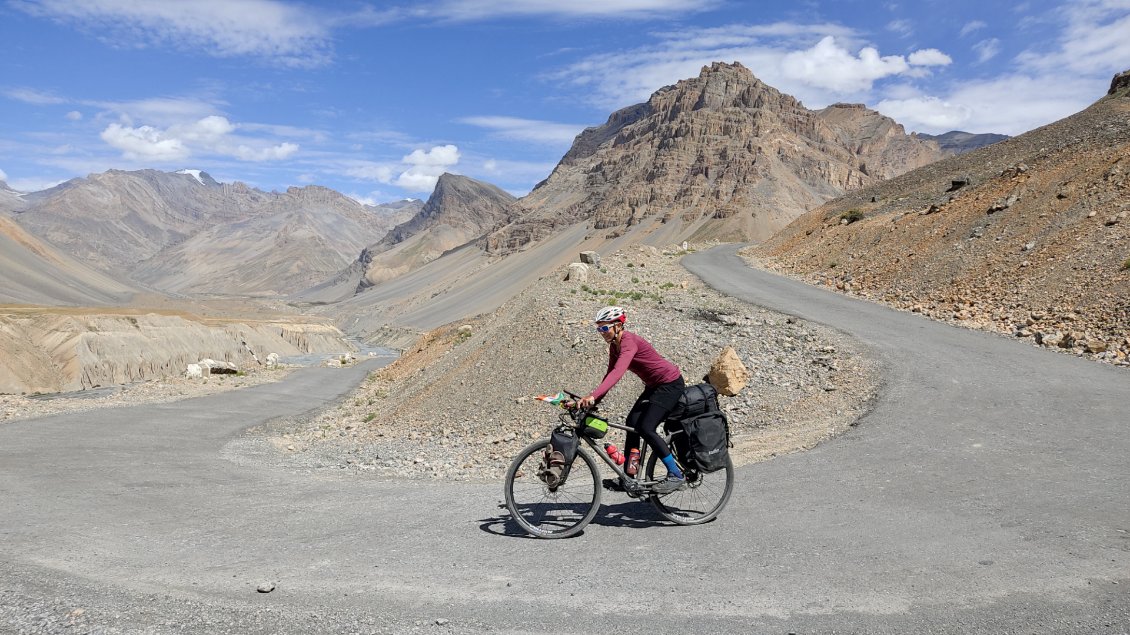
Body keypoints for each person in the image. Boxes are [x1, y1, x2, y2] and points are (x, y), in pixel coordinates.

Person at [577, 306, 687, 494]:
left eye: (605, 328)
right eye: (599, 329)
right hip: (653, 387)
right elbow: (609, 374)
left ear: (618, 326)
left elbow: (618, 373)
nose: (602, 333)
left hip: (670, 384)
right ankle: (630, 476)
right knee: (632, 423)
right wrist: (595, 400)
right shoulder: (615, 346)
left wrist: (593, 396)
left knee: (646, 427)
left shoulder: (629, 342)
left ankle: (676, 474)